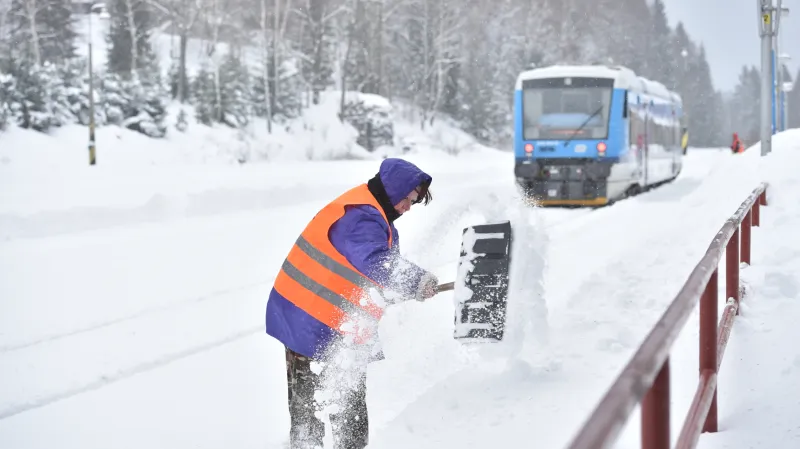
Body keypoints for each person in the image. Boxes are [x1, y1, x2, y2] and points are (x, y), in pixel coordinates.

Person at [265, 158, 439, 449]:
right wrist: (415, 280)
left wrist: (401, 289)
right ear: (394, 189)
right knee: (311, 412)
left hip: (334, 324)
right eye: (408, 199)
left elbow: (368, 274)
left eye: (413, 202)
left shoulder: (376, 215)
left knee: (348, 410)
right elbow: (375, 261)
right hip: (307, 319)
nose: (408, 208)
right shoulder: (361, 216)